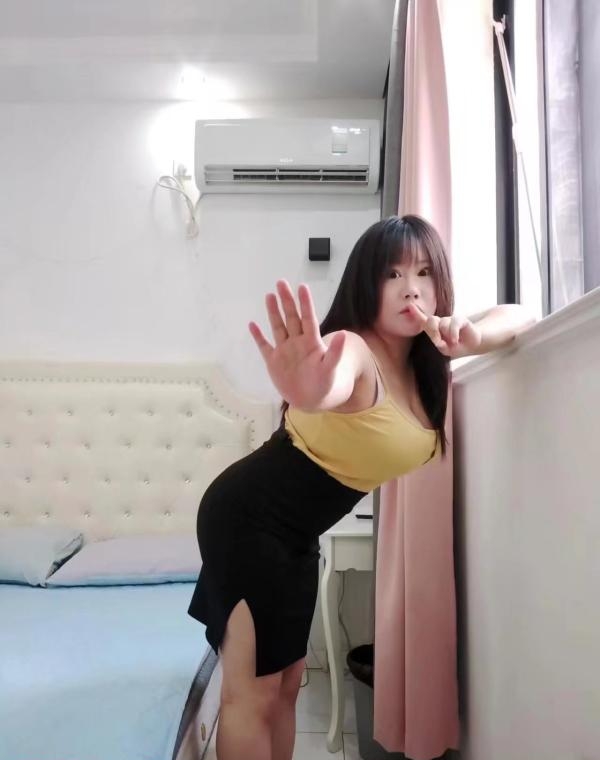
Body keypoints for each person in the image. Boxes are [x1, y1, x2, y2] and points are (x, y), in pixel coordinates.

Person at [187, 214, 535, 760]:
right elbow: (330, 382)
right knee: (252, 692)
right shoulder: (353, 347)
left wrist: (472, 334)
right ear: (365, 283)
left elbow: (521, 314)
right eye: (392, 274)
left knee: (287, 683)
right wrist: (311, 388)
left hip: (297, 534)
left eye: (423, 272)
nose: (410, 287)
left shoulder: (427, 360)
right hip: (247, 518)